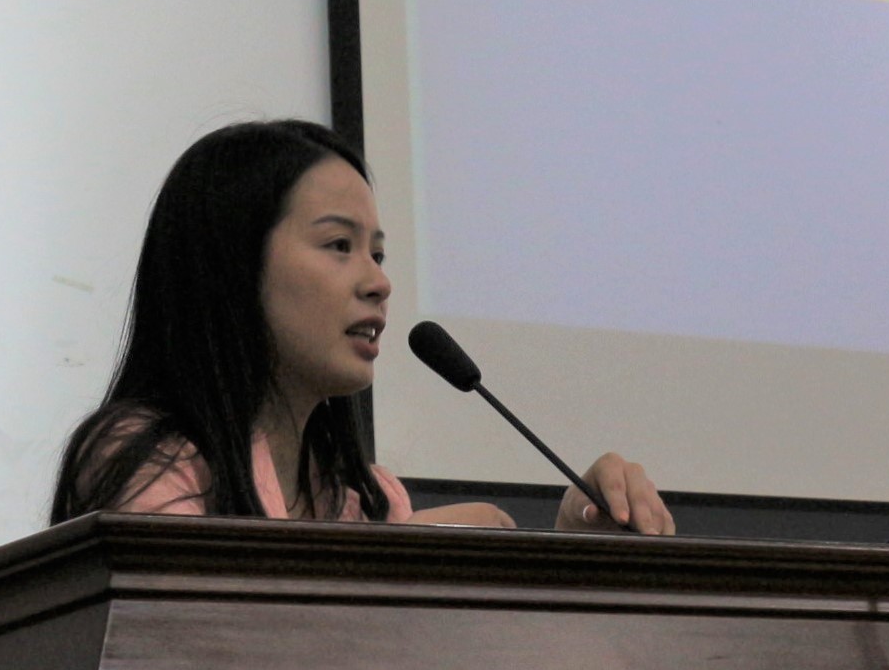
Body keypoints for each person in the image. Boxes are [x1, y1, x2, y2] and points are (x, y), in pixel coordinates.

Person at [51, 119, 674, 533]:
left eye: (378, 253)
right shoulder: (146, 458)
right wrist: (417, 551)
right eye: (339, 246)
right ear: (231, 268)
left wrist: (575, 545)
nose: (379, 282)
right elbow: (197, 643)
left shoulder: (362, 499)